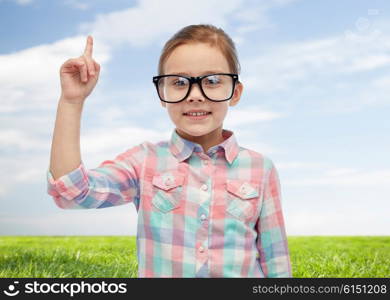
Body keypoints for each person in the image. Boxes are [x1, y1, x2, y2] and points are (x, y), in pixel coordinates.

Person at [47, 24, 292, 278]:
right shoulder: (144, 162)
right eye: (178, 82)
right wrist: (71, 102)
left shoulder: (261, 168)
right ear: (162, 93)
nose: (195, 95)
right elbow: (72, 192)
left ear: (235, 92)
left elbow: (276, 262)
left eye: (212, 81)